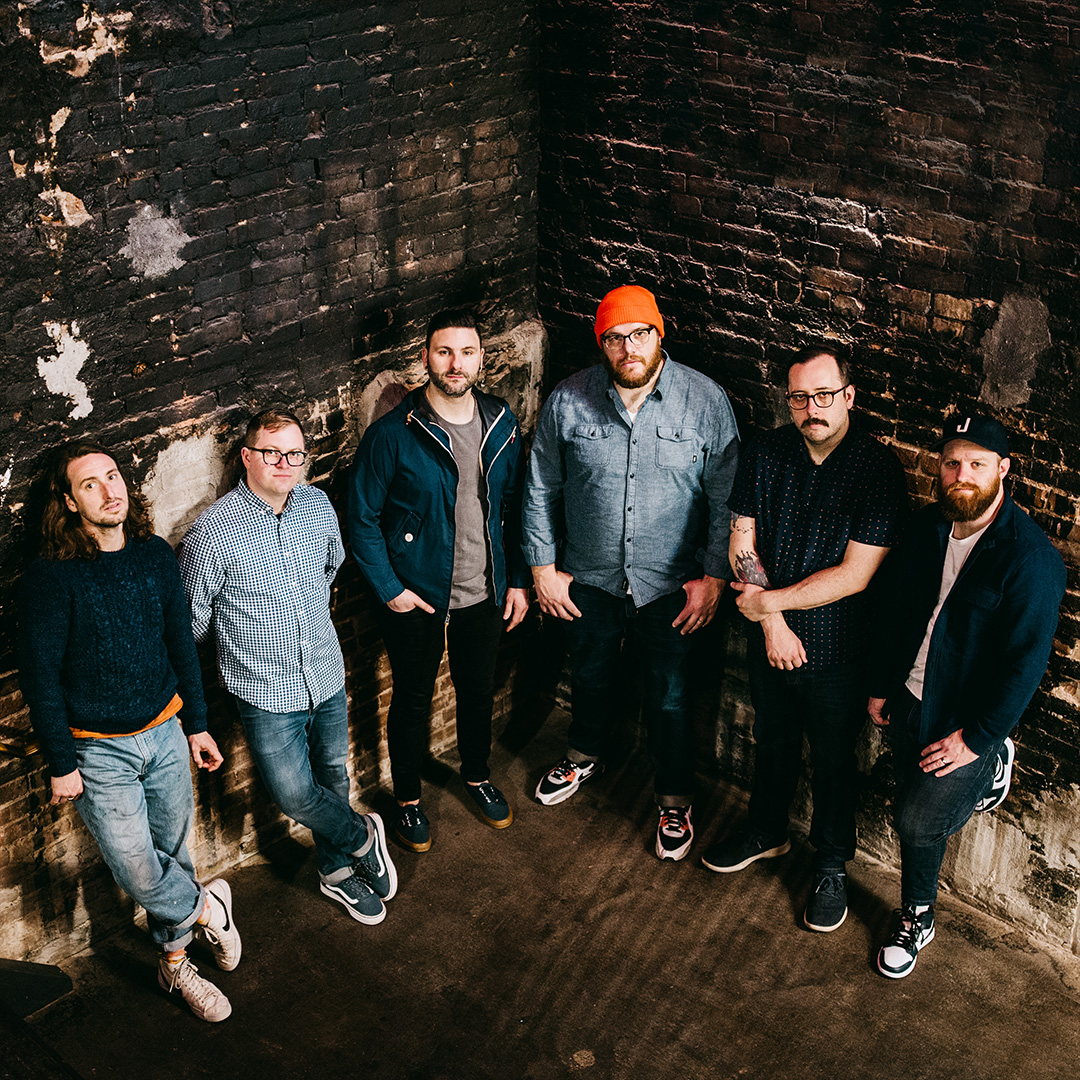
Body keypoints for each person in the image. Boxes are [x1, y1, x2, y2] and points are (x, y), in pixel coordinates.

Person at [18, 443, 240, 1022]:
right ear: (70, 502)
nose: (108, 490)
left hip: (164, 730)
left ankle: (176, 966)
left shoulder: (154, 556)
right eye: (89, 484)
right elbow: (40, 675)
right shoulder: (52, 577)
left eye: (112, 476)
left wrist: (197, 726)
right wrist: (62, 762)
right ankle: (208, 910)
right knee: (138, 868)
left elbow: (180, 644)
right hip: (97, 750)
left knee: (173, 855)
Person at [522, 285, 739, 861]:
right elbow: (540, 487)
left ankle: (674, 798)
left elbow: (728, 499)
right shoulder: (569, 400)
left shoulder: (705, 400)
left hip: (672, 583)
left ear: (659, 334)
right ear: (602, 344)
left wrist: (715, 578)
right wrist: (542, 568)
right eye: (615, 338)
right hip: (588, 577)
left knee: (670, 695)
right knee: (589, 673)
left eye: (639, 334)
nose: (628, 348)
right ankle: (583, 755)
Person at [701, 346, 908, 935]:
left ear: (848, 396)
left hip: (839, 649)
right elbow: (742, 540)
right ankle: (766, 831)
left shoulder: (878, 469)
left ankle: (831, 863)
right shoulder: (766, 452)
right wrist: (771, 623)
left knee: (834, 761)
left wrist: (768, 604)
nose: (811, 408)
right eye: (799, 397)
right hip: (771, 639)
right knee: (772, 739)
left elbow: (855, 575)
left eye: (823, 395)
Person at [180, 409, 397, 926]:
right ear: (246, 457)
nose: (285, 463)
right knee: (295, 794)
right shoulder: (211, 532)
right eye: (272, 452)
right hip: (264, 690)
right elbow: (192, 624)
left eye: (295, 453)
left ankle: (336, 871)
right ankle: (362, 835)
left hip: (323, 671)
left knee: (332, 776)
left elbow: (331, 567)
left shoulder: (317, 507)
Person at [867, 413, 1065, 978]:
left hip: (963, 718)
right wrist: (880, 687)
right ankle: (920, 909)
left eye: (978, 464)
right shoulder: (927, 528)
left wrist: (977, 739)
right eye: (953, 463)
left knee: (915, 822)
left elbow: (1026, 665)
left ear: (1003, 469)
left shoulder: (1029, 558)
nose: (962, 475)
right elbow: (895, 613)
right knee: (912, 806)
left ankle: (991, 765)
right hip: (909, 697)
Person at [348, 309, 530, 851]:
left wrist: (517, 580)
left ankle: (477, 775)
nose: (456, 364)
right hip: (417, 594)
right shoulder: (393, 434)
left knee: (477, 691)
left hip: (484, 589)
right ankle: (407, 800)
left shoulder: (501, 422)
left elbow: (516, 507)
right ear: (425, 357)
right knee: (412, 698)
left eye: (467, 352)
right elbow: (360, 518)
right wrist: (390, 589)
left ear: (481, 357)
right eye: (444, 352)